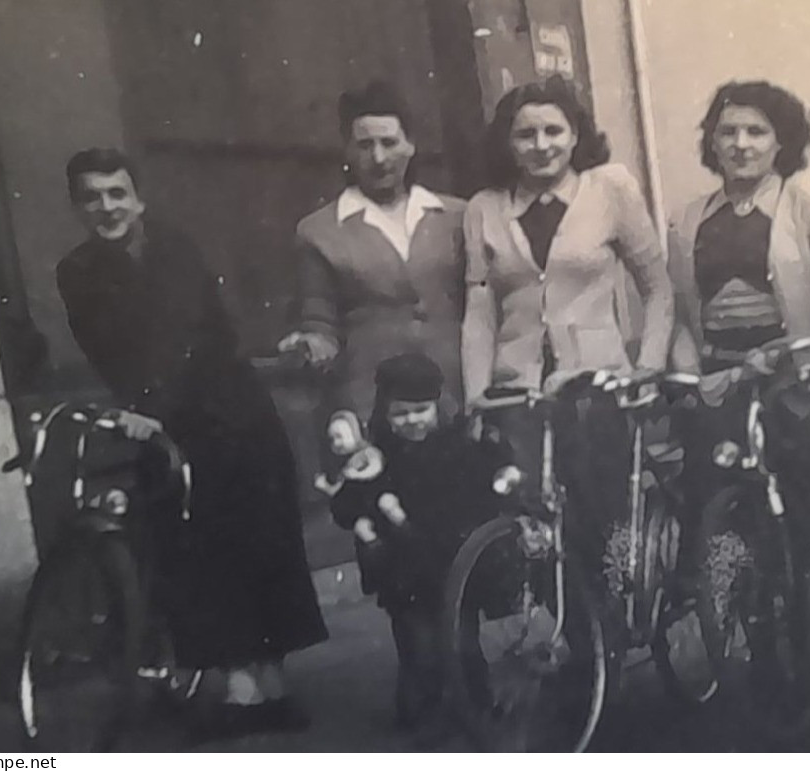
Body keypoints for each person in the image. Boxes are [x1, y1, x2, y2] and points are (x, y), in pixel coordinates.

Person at [56, 148, 326, 739]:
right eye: (92, 197)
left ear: (139, 199)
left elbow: (180, 339)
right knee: (196, 554)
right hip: (165, 425)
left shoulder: (173, 250)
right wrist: (136, 409)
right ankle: (240, 688)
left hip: (231, 415)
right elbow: (106, 349)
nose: (107, 207)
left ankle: (268, 688)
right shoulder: (75, 272)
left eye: (117, 193)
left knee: (260, 546)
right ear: (77, 206)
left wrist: (146, 408)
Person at [667, 81, 810, 562]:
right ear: (711, 142)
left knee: (806, 513)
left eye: (756, 131)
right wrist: (687, 378)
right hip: (723, 385)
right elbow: (684, 315)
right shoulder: (690, 218)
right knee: (726, 519)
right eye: (727, 132)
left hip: (795, 386)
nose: (741, 144)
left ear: (782, 141)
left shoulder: (807, 198)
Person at [461, 75, 673, 575]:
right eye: (526, 135)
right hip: (520, 393)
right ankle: (576, 641)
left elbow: (657, 287)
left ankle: (616, 634)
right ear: (507, 143)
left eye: (554, 131)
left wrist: (647, 366)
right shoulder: (484, 208)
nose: (541, 146)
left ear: (576, 134)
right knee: (536, 520)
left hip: (598, 386)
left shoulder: (610, 188)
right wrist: (477, 395)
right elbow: (480, 308)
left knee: (603, 517)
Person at [326, 352, 506, 737]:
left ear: (438, 406)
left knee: (463, 638)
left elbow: (485, 479)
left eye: (421, 410)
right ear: (385, 414)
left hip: (453, 559)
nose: (412, 422)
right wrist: (364, 519)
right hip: (402, 566)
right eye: (400, 414)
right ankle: (422, 712)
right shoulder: (376, 457)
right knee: (417, 644)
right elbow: (348, 501)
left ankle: (475, 703)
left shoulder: (458, 447)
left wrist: (501, 474)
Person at [279, 81, 467, 421]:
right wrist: (310, 344)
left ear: (411, 146)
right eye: (365, 145)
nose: (378, 158)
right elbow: (319, 320)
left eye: (389, 143)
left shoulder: (457, 216)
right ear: (348, 151)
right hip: (373, 400)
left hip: (453, 394)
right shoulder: (319, 231)